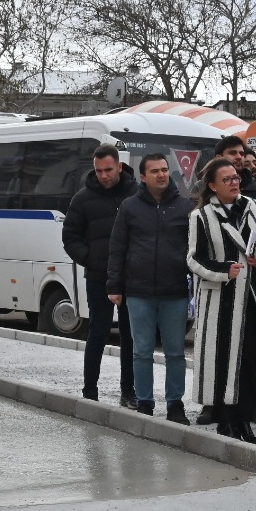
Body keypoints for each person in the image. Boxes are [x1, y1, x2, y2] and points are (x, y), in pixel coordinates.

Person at [188, 157, 256, 442]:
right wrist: (223, 271)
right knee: (225, 361)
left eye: (236, 178)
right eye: (226, 179)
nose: (234, 183)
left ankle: (245, 420)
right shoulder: (201, 217)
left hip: (252, 298)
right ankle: (225, 421)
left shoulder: (252, 206)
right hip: (221, 302)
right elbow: (193, 259)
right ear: (213, 186)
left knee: (249, 362)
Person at [107, 153, 193, 424]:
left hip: (175, 291)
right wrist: (115, 285)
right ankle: (145, 401)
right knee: (141, 350)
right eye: (154, 171)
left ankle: (175, 404)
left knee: (176, 352)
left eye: (165, 170)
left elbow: (195, 249)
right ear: (143, 177)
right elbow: (117, 248)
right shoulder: (130, 207)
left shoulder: (185, 207)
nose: (161, 175)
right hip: (139, 291)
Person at [63, 145, 138, 407]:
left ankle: (129, 391)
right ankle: (90, 390)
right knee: (98, 332)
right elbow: (70, 237)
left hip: (131, 277)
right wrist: (91, 259)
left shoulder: (136, 194)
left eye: (108, 170)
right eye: (98, 171)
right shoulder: (82, 199)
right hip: (98, 277)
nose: (103, 176)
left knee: (131, 336)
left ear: (119, 166)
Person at [209, 134, 256, 210]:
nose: (239, 157)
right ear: (219, 157)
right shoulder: (202, 186)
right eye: (232, 153)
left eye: (241, 154)